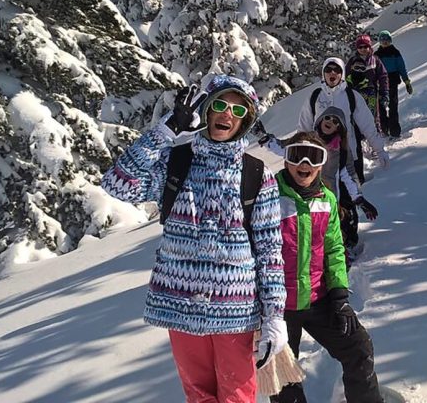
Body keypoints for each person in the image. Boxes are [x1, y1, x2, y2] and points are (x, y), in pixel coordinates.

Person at [101, 75, 288, 403]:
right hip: (181, 306)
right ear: (207, 110)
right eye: (219, 105)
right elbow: (118, 183)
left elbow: (270, 250)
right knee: (199, 397)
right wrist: (168, 128)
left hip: (236, 312)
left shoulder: (257, 175)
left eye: (237, 110)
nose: (226, 114)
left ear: (246, 121)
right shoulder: (177, 161)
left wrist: (274, 315)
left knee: (237, 397)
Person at [271, 131, 385, 403]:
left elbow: (334, 249)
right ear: (286, 160)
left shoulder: (327, 199)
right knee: (285, 377)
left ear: (322, 164)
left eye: (314, 157)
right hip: (279, 306)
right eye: (297, 155)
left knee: (358, 347)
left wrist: (340, 296)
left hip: (318, 299)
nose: (305, 165)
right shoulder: (268, 195)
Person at [261, 106, 379, 254]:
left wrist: (359, 199)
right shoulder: (307, 140)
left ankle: (336, 259)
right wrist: (264, 138)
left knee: (328, 234)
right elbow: (284, 148)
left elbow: (348, 175)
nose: (330, 121)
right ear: (321, 119)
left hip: (326, 198)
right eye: (327, 117)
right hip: (301, 195)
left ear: (339, 127)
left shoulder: (341, 150)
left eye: (335, 121)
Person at [297, 57, 388, 184]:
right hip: (321, 158)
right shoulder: (315, 96)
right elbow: (304, 128)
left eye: (337, 70)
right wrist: (300, 153)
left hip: (350, 157)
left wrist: (379, 150)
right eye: (329, 69)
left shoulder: (352, 96)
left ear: (342, 74)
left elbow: (367, 125)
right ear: (323, 73)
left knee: (354, 194)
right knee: (324, 198)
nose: (332, 73)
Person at [345, 35, 389, 134]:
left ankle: (375, 134)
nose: (363, 49)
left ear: (370, 47)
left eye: (366, 47)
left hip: (371, 92)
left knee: (372, 114)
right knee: (357, 114)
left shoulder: (375, 60)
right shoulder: (352, 61)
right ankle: (360, 136)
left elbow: (383, 76)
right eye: (360, 47)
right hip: (356, 92)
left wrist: (384, 91)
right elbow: (346, 76)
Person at [374, 31, 412, 139]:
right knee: (380, 108)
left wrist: (407, 82)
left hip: (393, 83)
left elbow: (401, 68)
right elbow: (372, 70)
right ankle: (384, 130)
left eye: (387, 40)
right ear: (380, 41)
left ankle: (395, 131)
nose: (385, 42)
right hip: (380, 84)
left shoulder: (395, 53)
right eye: (383, 40)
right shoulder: (377, 55)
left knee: (393, 107)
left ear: (390, 41)